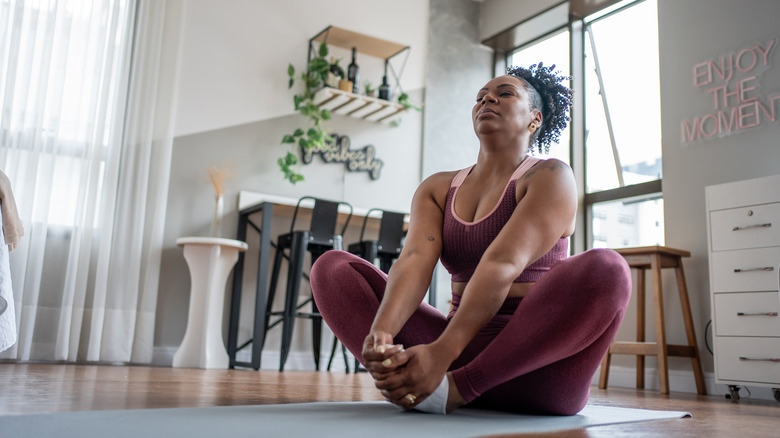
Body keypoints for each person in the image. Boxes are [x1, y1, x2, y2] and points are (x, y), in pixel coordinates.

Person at [310, 64, 631, 416]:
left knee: (608, 268)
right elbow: (415, 259)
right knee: (332, 268)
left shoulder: (551, 175)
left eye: (504, 93)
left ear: (535, 119)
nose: (487, 99)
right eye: (480, 97)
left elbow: (502, 263)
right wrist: (381, 335)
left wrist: (442, 353)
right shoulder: (437, 188)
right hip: (457, 351)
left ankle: (458, 388)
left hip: (534, 370)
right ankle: (416, 382)